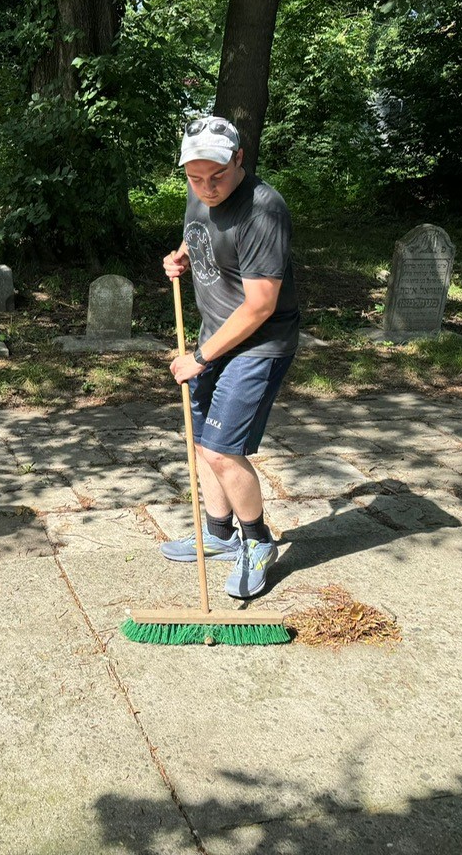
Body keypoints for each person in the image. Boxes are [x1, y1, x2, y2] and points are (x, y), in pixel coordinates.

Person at [160, 116, 299, 599]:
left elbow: (261, 305)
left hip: (258, 343)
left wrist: (199, 357)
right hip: (215, 333)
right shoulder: (201, 186)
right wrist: (179, 256)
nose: (205, 187)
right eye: (195, 178)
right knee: (201, 441)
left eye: (215, 176)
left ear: (238, 158)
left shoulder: (263, 210)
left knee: (222, 449)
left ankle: (257, 542)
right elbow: (200, 234)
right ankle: (218, 535)